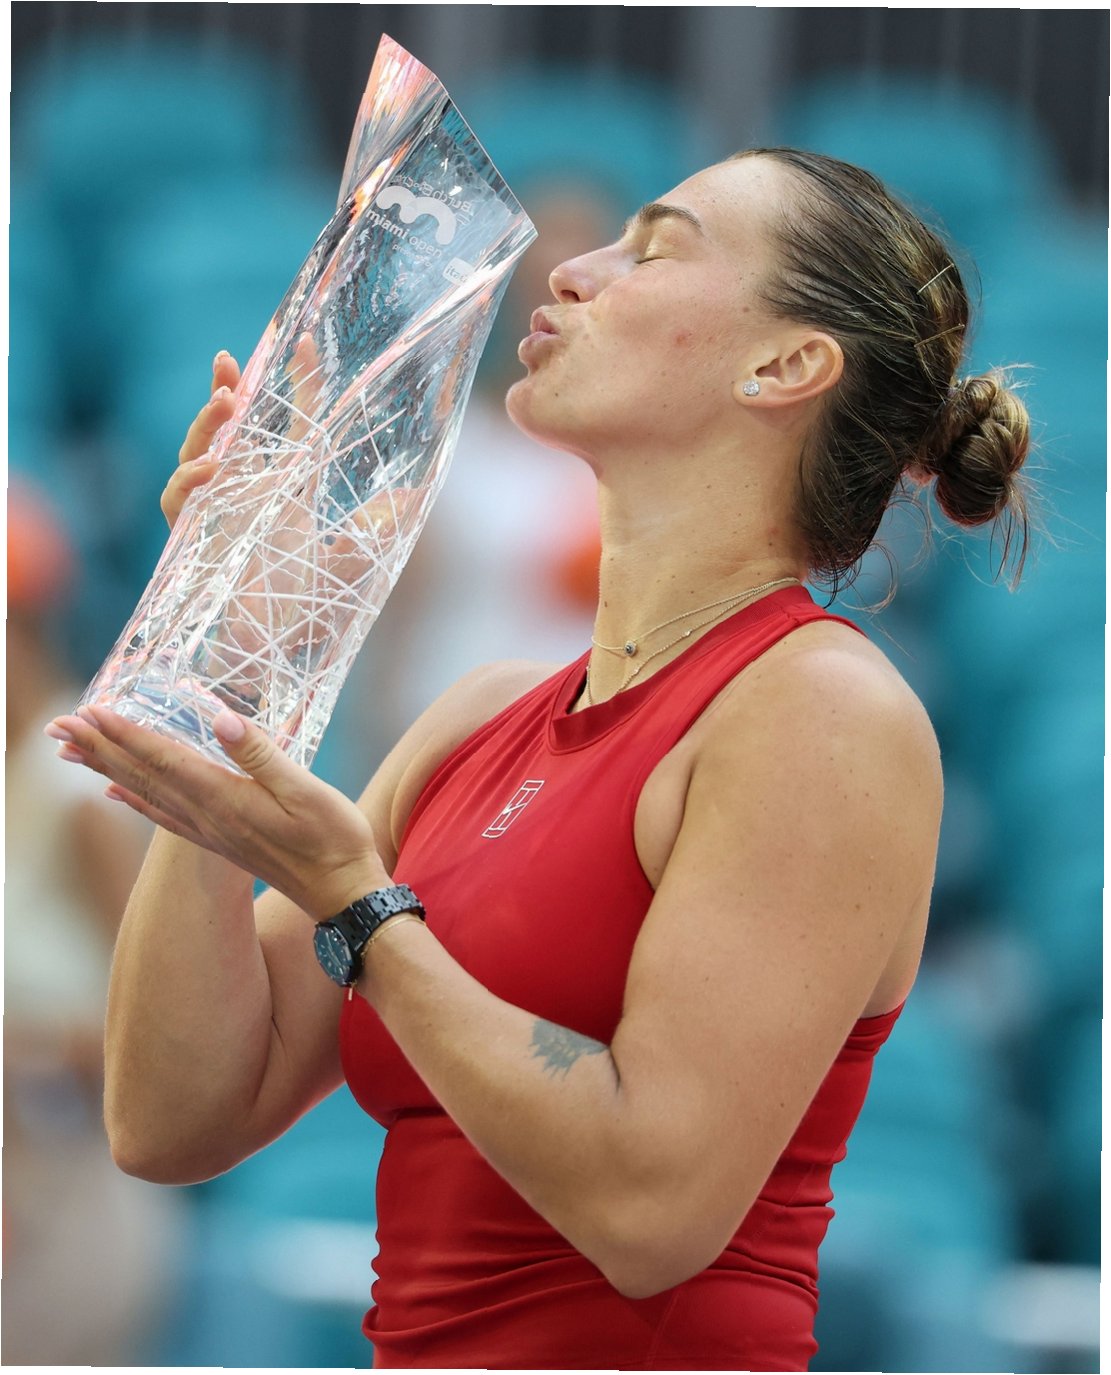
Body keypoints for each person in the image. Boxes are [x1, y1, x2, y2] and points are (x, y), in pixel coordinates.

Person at [46, 148, 1030, 1371]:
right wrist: (241, 676)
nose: (571, 271)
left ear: (784, 366)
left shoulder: (820, 710)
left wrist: (363, 912)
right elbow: (170, 1117)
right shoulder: (477, 715)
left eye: (654, 248)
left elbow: (649, 1210)